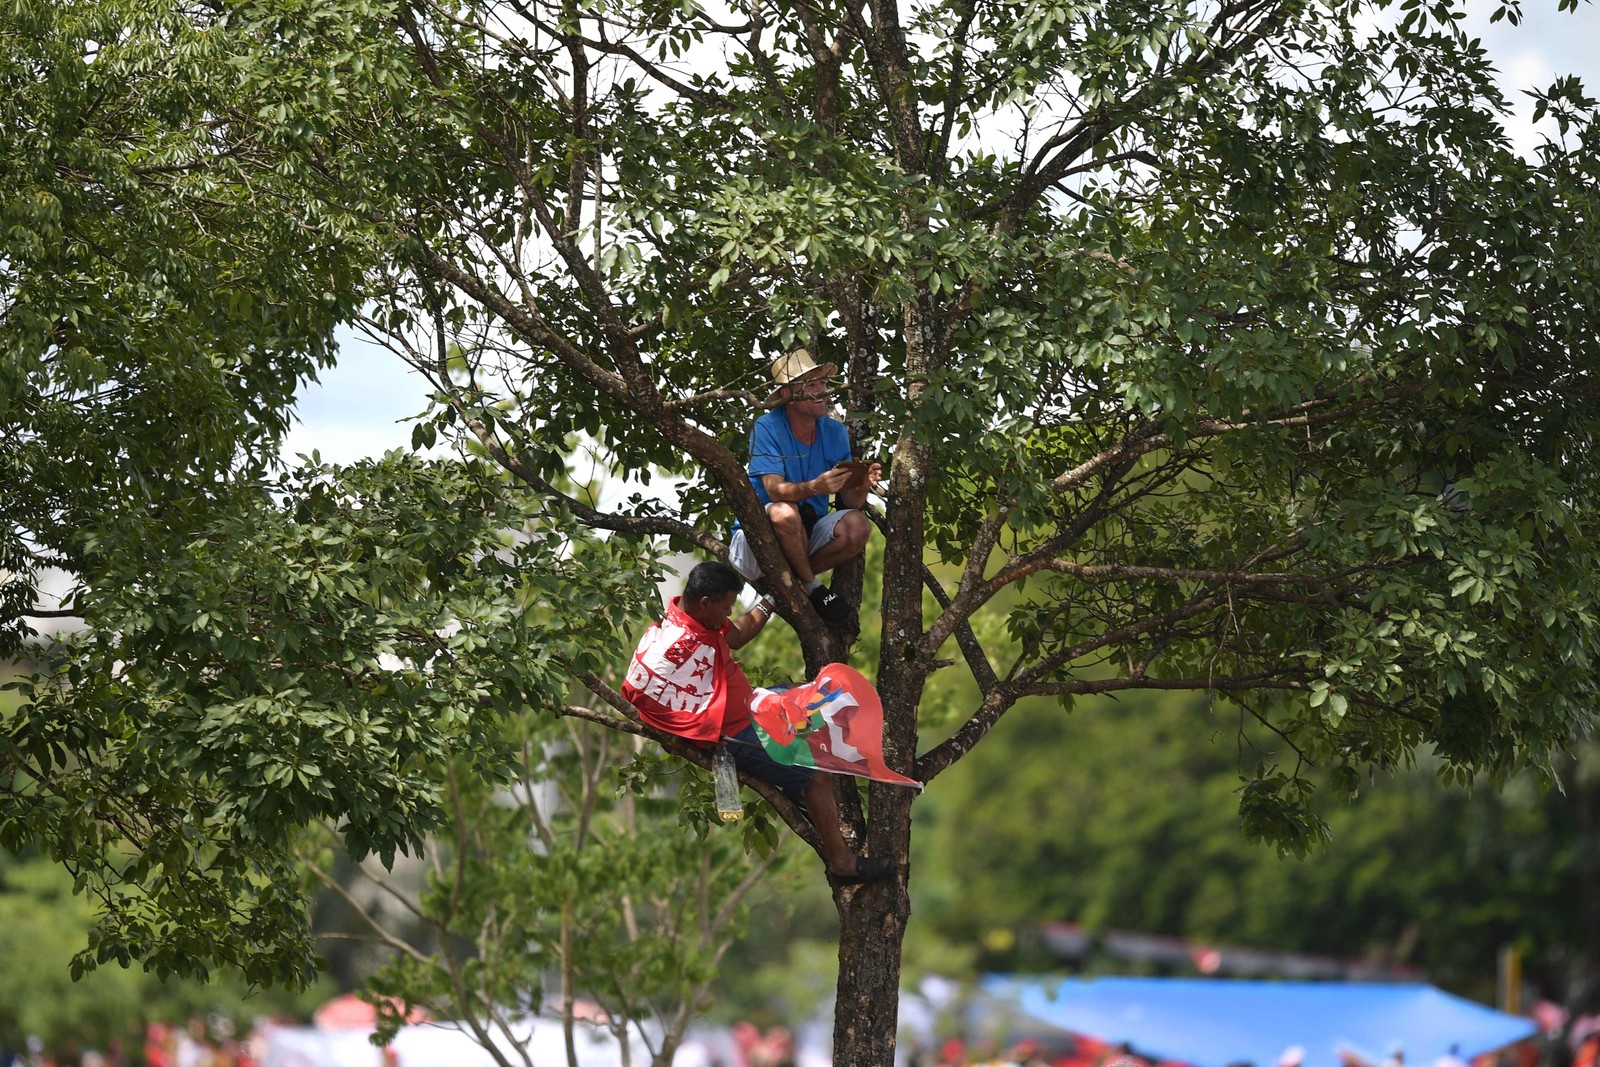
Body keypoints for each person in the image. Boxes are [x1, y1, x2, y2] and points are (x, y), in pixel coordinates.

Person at [622, 560, 893, 884]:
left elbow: (737, 635)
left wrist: (771, 598)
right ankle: (842, 864)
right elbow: (642, 695)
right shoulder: (674, 644)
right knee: (815, 773)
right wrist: (707, 734)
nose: (728, 616)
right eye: (725, 608)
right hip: (734, 734)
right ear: (706, 602)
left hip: (753, 707)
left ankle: (801, 789)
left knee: (815, 700)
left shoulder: (696, 617)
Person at [728, 348, 882, 634]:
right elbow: (775, 492)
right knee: (784, 512)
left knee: (858, 526)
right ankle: (812, 586)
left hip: (803, 539)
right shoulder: (767, 426)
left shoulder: (834, 431)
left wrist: (861, 484)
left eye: (823, 383)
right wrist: (815, 487)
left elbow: (850, 502)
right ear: (787, 394)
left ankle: (792, 584)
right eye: (811, 384)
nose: (822, 390)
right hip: (757, 542)